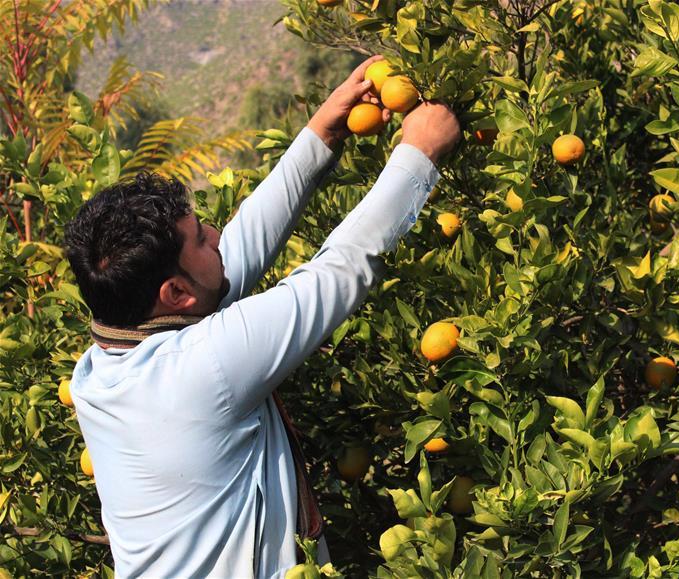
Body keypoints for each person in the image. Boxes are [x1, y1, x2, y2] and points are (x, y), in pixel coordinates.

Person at [63, 54, 460, 578]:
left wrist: (323, 133)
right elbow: (338, 272)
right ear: (176, 292)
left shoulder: (102, 367)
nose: (216, 236)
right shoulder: (201, 370)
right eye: (201, 238)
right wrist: (420, 156)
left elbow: (236, 255)